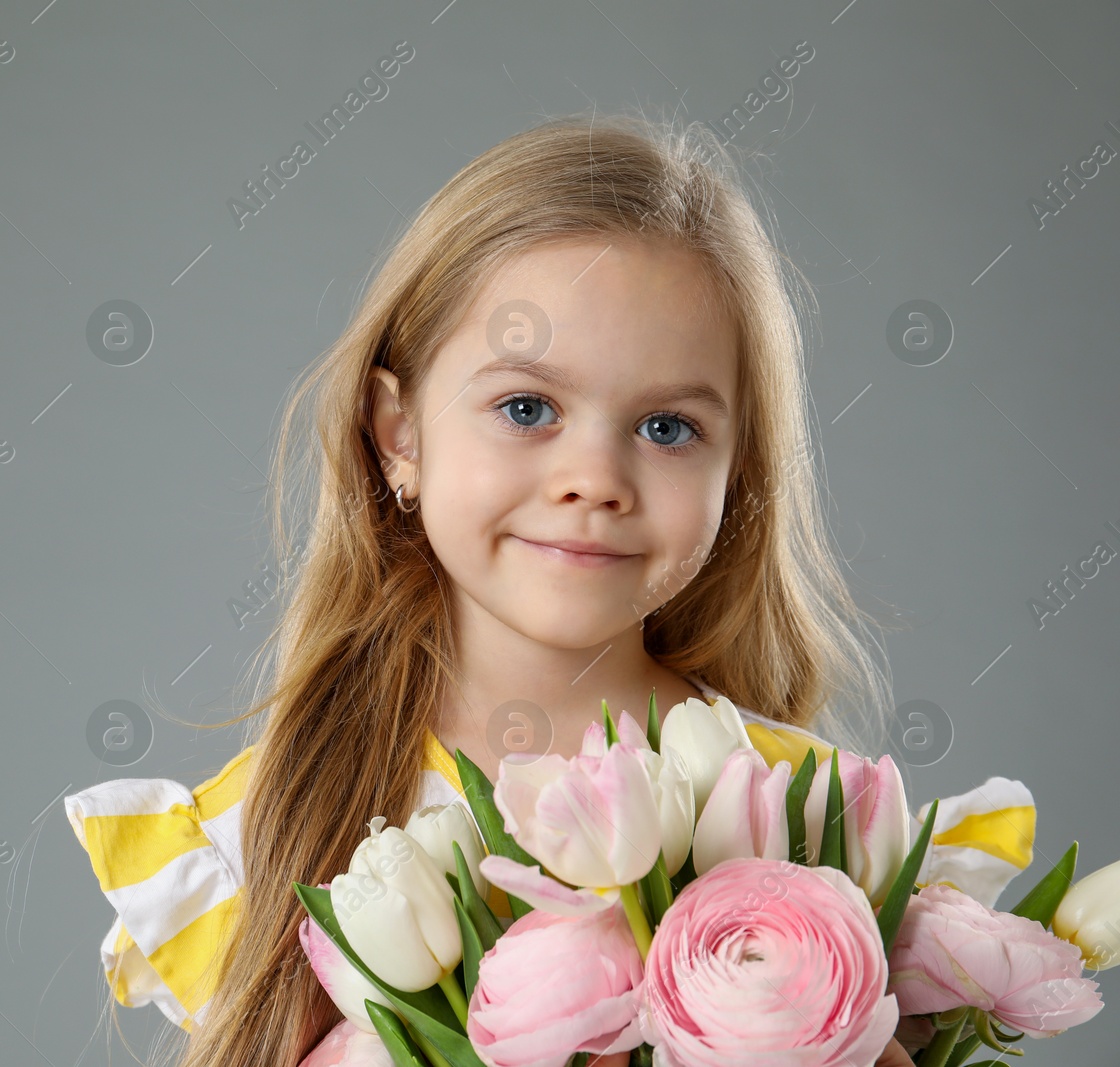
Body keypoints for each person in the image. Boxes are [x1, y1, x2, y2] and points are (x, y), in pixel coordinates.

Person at [65, 113, 1019, 1067]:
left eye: (668, 427)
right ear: (399, 434)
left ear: (740, 471)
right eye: (527, 408)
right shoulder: (269, 824)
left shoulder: (813, 821)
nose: (594, 477)